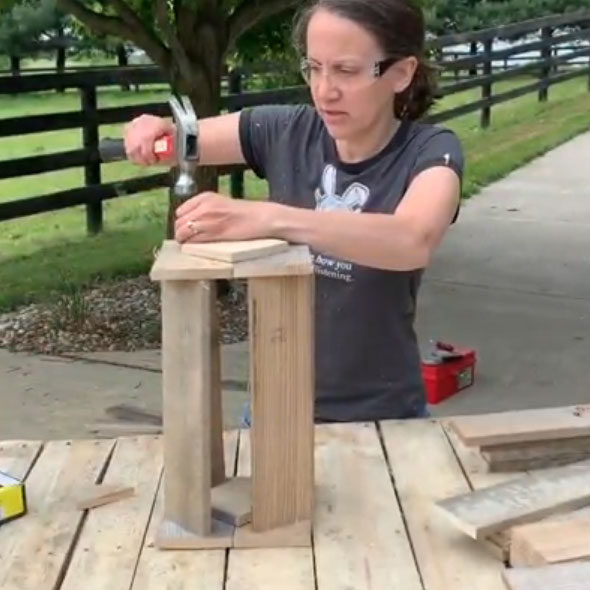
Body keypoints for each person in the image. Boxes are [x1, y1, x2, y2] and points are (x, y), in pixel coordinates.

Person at [123, 0, 464, 423]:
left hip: (386, 417)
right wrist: (156, 131)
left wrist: (269, 218)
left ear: (401, 72)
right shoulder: (284, 130)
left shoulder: (430, 151)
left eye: (346, 70)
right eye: (314, 67)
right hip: (273, 410)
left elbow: (413, 240)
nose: (324, 90)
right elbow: (183, 138)